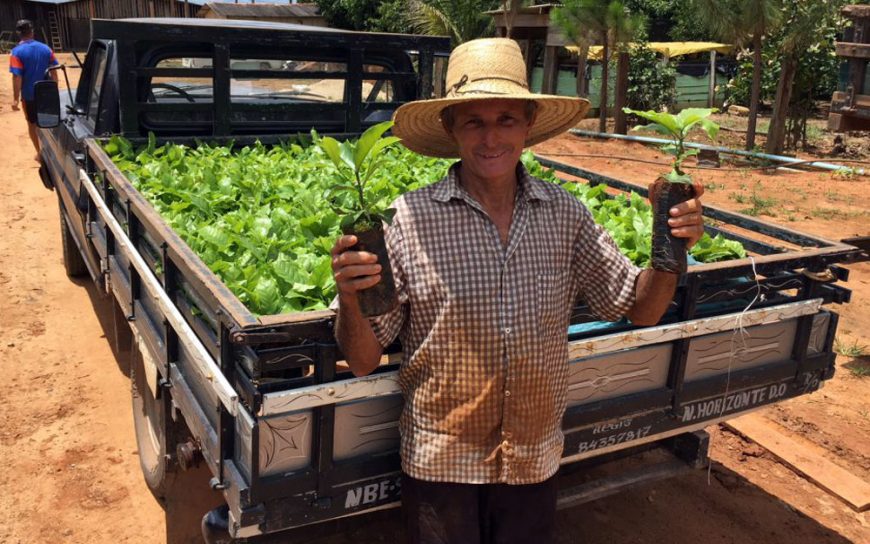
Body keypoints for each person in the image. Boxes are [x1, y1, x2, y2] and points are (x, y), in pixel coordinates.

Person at [331, 38, 705, 544]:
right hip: (441, 461)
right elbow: (361, 360)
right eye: (474, 121)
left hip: (533, 457)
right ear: (451, 129)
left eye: (506, 119)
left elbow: (640, 310)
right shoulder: (408, 220)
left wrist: (671, 244)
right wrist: (350, 297)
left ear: (528, 126)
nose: (491, 138)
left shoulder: (566, 214)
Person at [9, 19, 58, 159]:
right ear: (32, 31)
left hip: (29, 95)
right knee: (48, 121)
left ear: (18, 33)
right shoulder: (46, 49)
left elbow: (17, 77)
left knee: (32, 124)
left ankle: (40, 153)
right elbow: (54, 71)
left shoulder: (16, 52)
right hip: (46, 94)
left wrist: (15, 99)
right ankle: (52, 152)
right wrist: (53, 90)